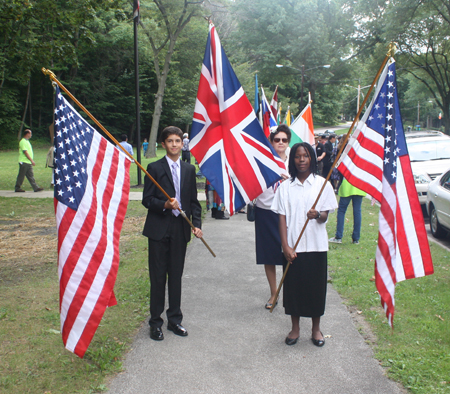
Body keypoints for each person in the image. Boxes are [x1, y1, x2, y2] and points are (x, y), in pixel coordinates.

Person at [271, 142, 337, 347]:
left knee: (315, 289)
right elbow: (281, 218)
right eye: (298, 156)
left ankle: (316, 329)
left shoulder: (322, 185)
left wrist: (317, 214)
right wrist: (285, 246)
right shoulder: (285, 188)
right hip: (293, 248)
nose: (301, 160)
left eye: (306, 156)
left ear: (312, 159)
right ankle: (295, 328)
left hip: (316, 246)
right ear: (293, 160)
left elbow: (325, 215)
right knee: (293, 290)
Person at [142, 126, 203, 341]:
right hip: (158, 229)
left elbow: (193, 201)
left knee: (175, 276)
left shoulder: (188, 169)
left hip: (180, 229)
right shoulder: (154, 167)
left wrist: (196, 224)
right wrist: (165, 205)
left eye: (178, 141)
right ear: (163, 144)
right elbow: (147, 200)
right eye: (170, 141)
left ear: (182, 144)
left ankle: (175, 320)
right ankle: (155, 322)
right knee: (158, 277)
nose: (175, 144)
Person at [255, 124, 290, 310]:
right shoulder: (263, 160)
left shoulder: (294, 160)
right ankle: (273, 292)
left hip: (287, 213)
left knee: (288, 252)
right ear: (271, 141)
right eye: (277, 139)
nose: (281, 143)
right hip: (265, 210)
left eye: (284, 140)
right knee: (268, 254)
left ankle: (290, 291)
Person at [329, 177, 366, 244]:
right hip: (360, 185)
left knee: (341, 211)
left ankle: (338, 236)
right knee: (357, 211)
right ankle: (356, 238)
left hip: (347, 185)